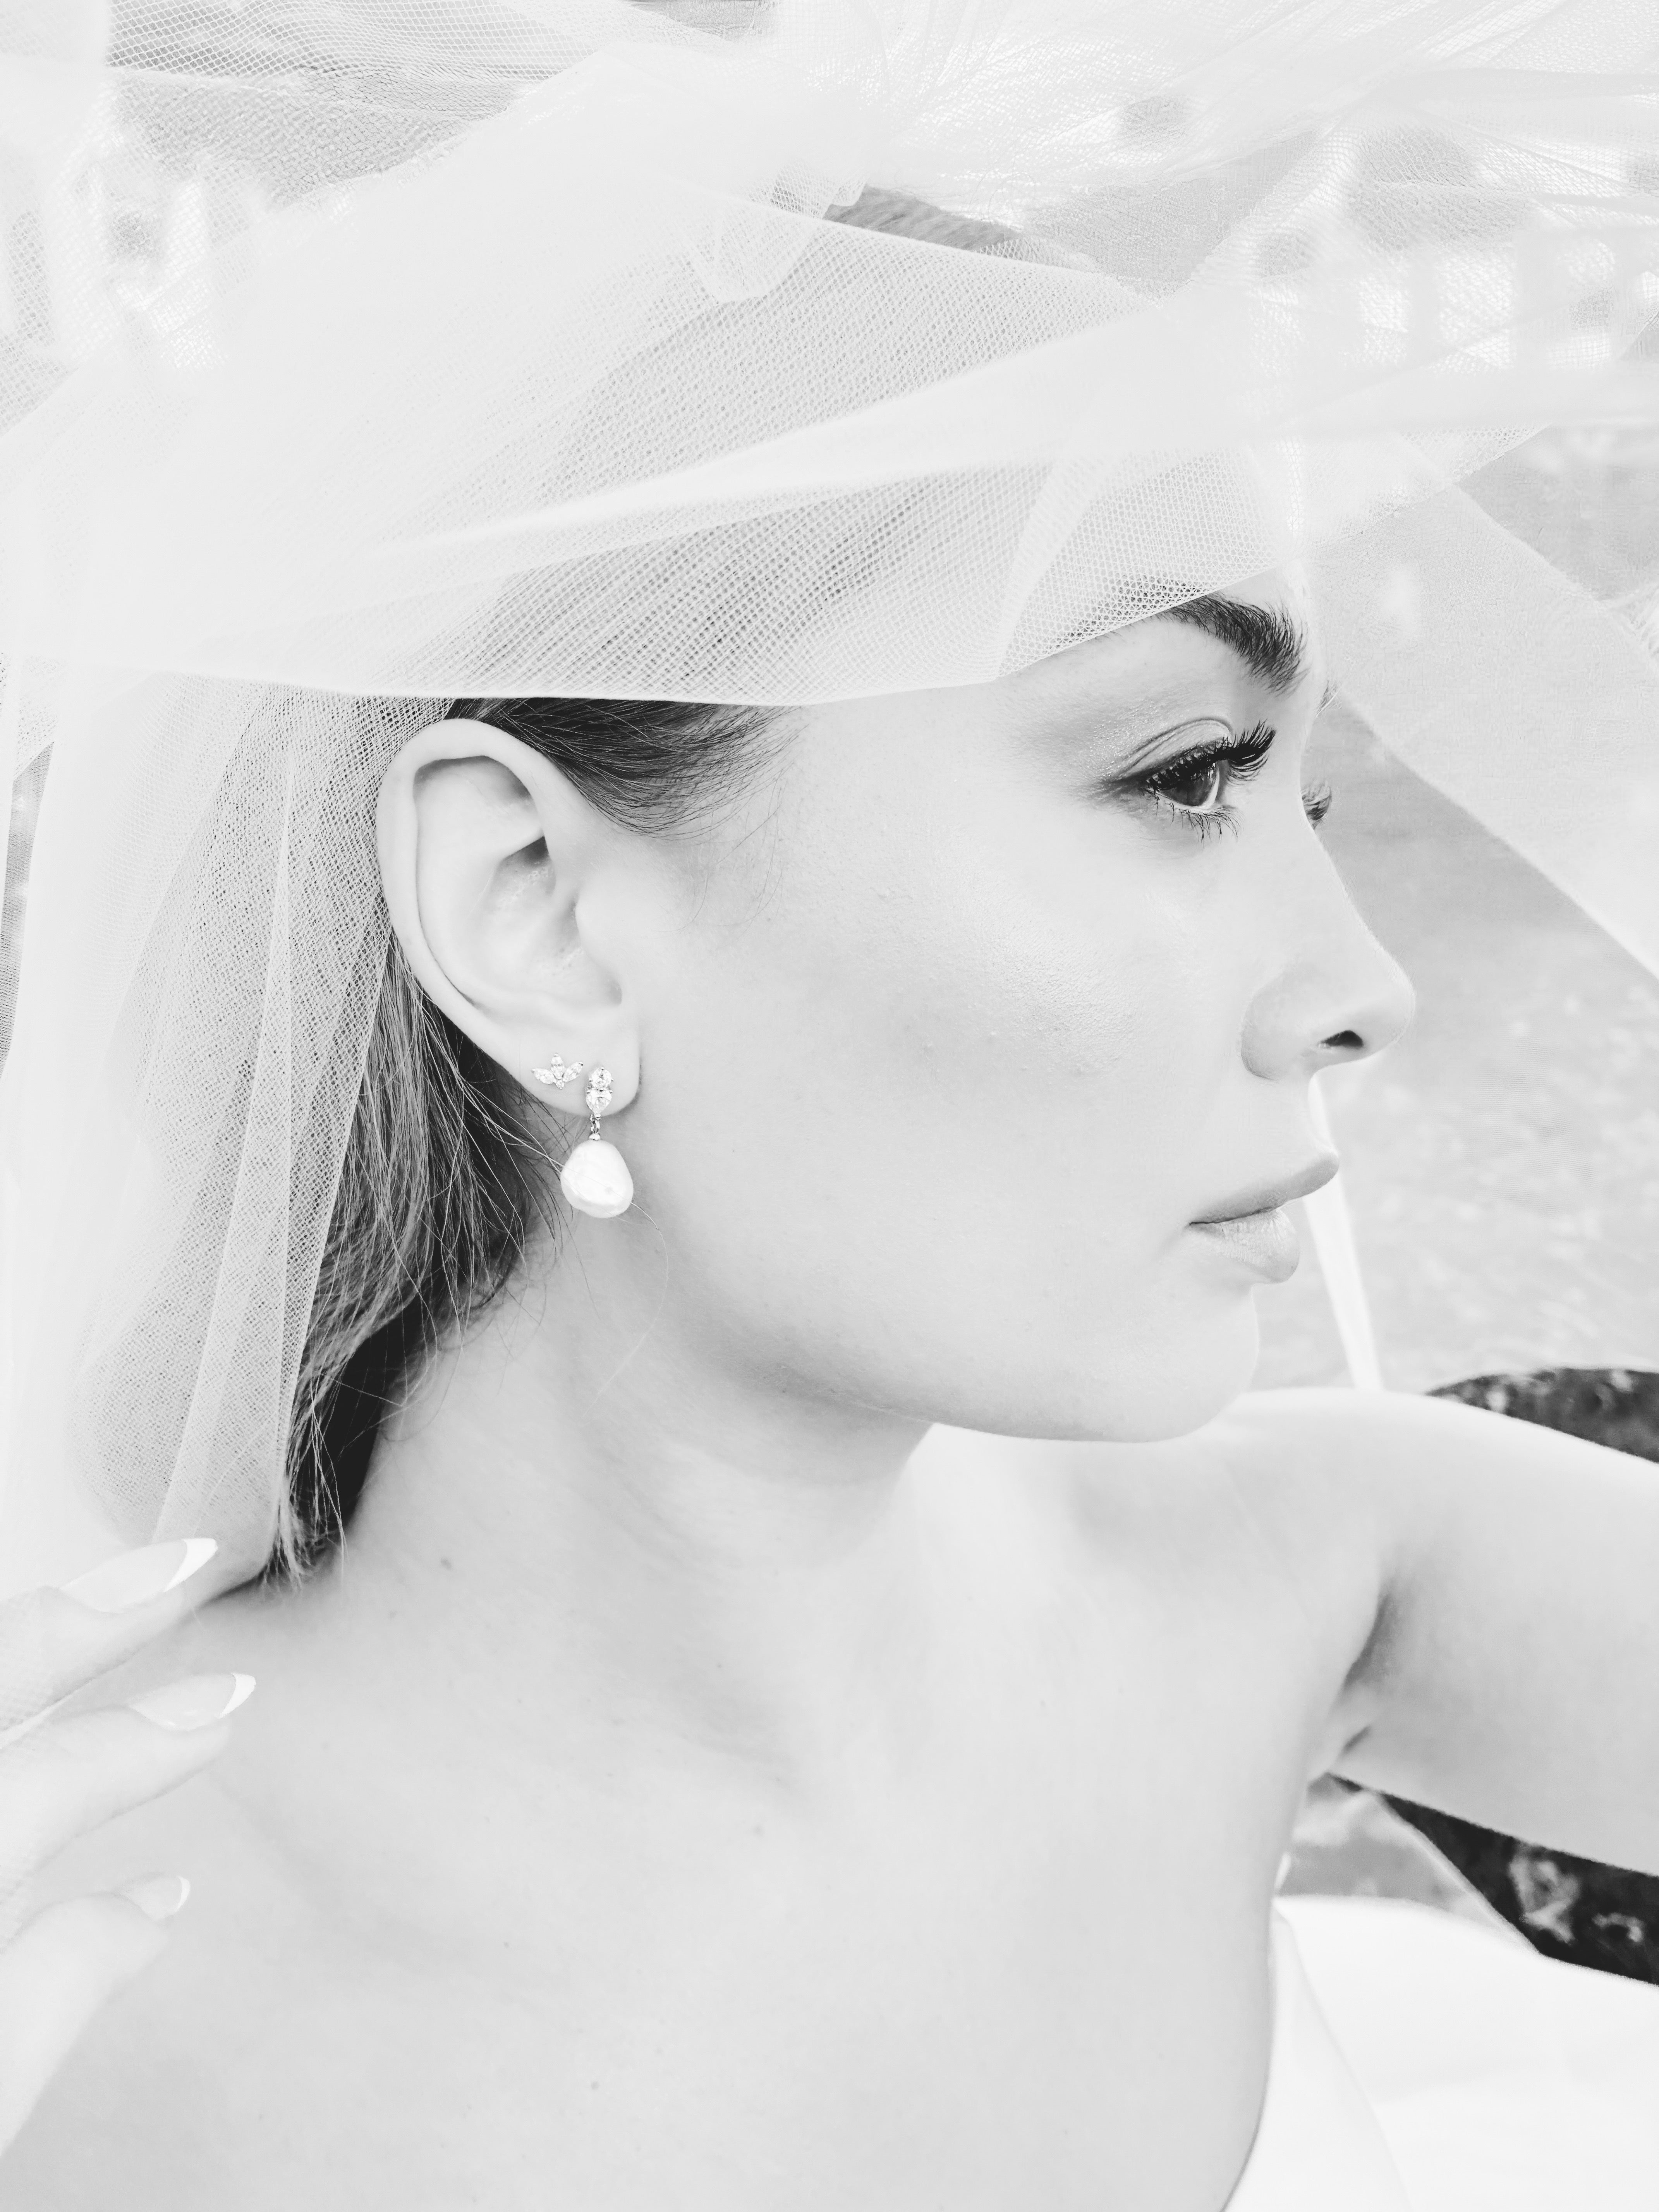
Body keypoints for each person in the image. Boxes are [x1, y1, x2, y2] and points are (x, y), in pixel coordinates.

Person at [3, 4, 1659, 2206]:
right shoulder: (84, 2008)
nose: (1361, 987)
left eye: (1310, 802)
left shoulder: (1315, 1576)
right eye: (1184, 776)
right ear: (536, 911)